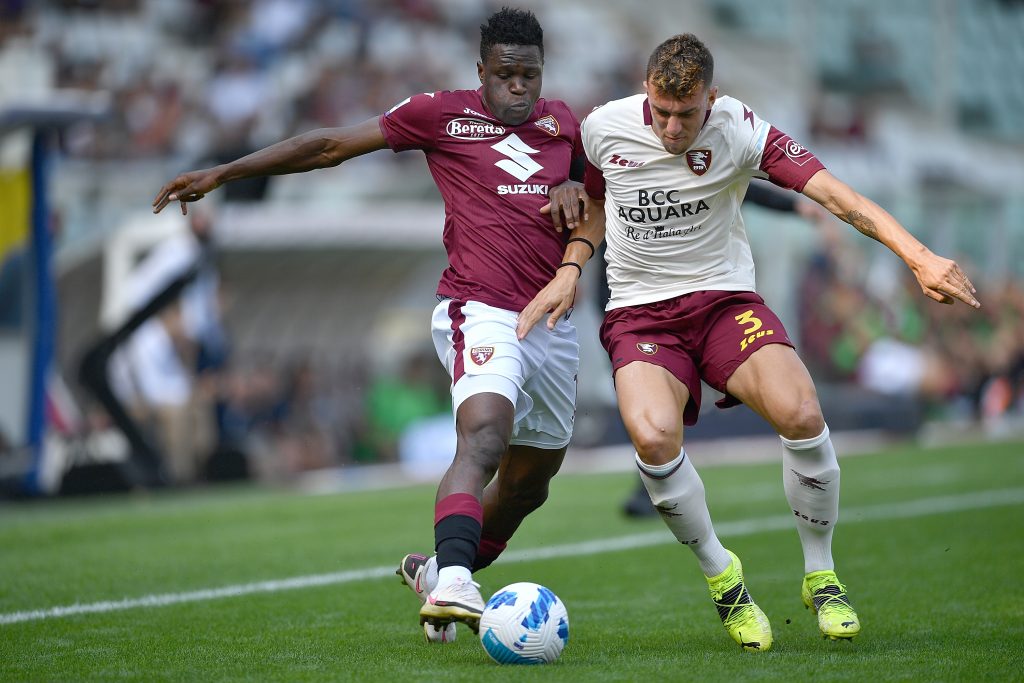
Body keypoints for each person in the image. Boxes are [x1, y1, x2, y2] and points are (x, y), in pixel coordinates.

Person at [520, 33, 980, 651]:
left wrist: (919, 258)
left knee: (802, 411)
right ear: (646, 93)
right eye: (660, 111)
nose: (671, 127)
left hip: (723, 303)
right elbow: (595, 201)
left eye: (686, 115)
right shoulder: (605, 127)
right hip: (640, 316)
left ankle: (821, 574)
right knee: (654, 438)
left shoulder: (741, 128)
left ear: (712, 98)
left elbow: (838, 196)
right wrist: (571, 270)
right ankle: (724, 578)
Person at [153, 7, 596, 642]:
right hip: (478, 308)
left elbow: (595, 193)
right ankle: (455, 588)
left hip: (550, 322)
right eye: (505, 75)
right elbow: (331, 144)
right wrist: (224, 173)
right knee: (483, 439)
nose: (518, 88)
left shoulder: (566, 124)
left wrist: (574, 188)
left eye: (529, 75)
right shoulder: (440, 113)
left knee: (529, 485)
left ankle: (441, 567)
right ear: (481, 71)